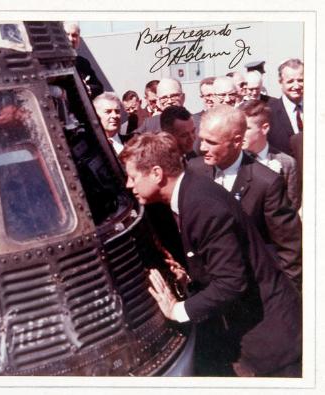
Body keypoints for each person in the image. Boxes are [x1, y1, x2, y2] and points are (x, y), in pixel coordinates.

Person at [120, 132, 301, 377]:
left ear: (156, 173)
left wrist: (178, 310)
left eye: (132, 177)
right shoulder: (192, 190)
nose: (129, 185)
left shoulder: (202, 207)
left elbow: (231, 283)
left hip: (271, 344)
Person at [188, 105, 302, 288]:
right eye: (201, 139)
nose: (202, 148)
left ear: (237, 141)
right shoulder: (194, 170)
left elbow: (290, 249)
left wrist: (283, 294)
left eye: (211, 142)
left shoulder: (266, 183)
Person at [239, 99, 301, 210]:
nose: (239, 133)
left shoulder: (287, 163)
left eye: (247, 128)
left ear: (264, 128)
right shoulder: (234, 158)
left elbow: (292, 206)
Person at [267, 58, 304, 156]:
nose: (296, 86)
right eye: (290, 81)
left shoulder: (318, 109)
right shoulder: (269, 113)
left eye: (300, 80)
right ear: (280, 82)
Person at [63, 21, 104, 99]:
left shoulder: (83, 62)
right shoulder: (48, 62)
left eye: (74, 35)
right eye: (66, 34)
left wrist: (87, 88)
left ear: (79, 39)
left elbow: (98, 87)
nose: (71, 39)